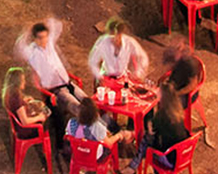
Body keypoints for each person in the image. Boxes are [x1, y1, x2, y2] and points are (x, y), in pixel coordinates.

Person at [15, 16, 89, 163]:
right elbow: (19, 46)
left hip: (68, 83)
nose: (44, 41)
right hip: (55, 90)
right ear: (35, 39)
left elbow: (57, 26)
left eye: (46, 37)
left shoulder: (50, 45)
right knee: (78, 108)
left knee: (88, 102)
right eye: (41, 38)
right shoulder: (32, 52)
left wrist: (47, 20)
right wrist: (27, 30)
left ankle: (95, 134)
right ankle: (80, 143)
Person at [133, 89, 190, 174]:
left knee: (147, 140)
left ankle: (134, 166)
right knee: (151, 139)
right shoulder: (178, 112)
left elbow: (152, 132)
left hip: (171, 161)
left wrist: (149, 124)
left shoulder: (162, 116)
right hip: (184, 156)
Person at [65, 95, 132, 166]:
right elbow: (109, 144)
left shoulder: (71, 122)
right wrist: (119, 135)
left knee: (105, 120)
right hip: (94, 157)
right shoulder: (97, 127)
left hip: (77, 154)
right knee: (111, 138)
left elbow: (68, 135)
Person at [88, 18, 150, 83]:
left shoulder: (129, 42)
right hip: (106, 77)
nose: (113, 39)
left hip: (122, 78)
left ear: (120, 34)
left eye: (116, 35)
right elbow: (93, 60)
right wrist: (98, 75)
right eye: (111, 35)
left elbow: (143, 57)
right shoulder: (103, 41)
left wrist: (138, 73)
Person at [158, 40, 201, 111]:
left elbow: (192, 85)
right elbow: (168, 69)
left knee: (168, 106)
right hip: (175, 86)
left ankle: (170, 119)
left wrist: (177, 93)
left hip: (186, 94)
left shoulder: (189, 63)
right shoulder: (175, 59)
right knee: (156, 97)